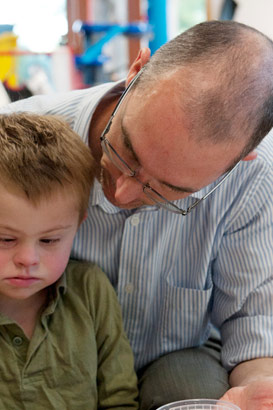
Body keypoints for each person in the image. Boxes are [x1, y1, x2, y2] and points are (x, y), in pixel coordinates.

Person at [3, 20, 273, 410]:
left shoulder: (256, 176)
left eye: (167, 189)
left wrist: (258, 389)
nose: (122, 192)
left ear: (240, 158)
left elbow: (253, 321)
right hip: (50, 359)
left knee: (188, 384)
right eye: (125, 150)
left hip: (176, 358)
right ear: (135, 72)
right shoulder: (17, 142)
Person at [0, 112, 138, 409]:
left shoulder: (91, 290)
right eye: (5, 239)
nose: (27, 259)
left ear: (78, 225)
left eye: (49, 240)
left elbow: (119, 398)